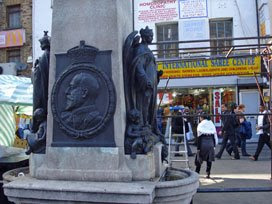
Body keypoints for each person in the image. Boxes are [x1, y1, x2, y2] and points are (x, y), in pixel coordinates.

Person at [195, 113, 218, 178]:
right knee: (209, 159)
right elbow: (214, 135)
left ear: (202, 118)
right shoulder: (211, 124)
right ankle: (208, 173)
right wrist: (214, 145)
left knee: (199, 158)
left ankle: (197, 172)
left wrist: (198, 148)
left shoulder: (200, 125)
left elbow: (199, 137)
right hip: (210, 142)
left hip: (203, 142)